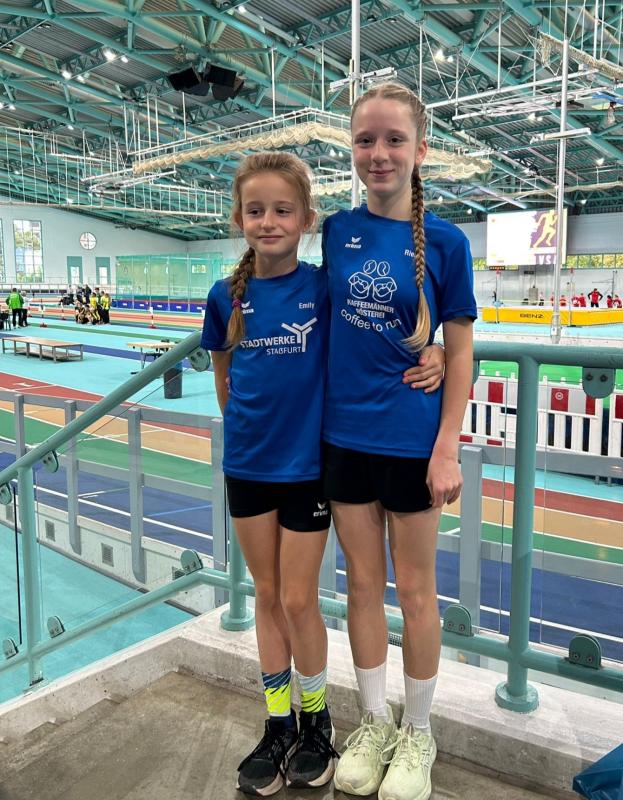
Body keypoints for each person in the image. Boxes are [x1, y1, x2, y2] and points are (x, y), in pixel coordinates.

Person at [201, 152, 445, 797]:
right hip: (248, 466)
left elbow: (379, 324)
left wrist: (440, 351)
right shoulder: (226, 296)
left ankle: (317, 722)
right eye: (255, 211)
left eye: (283, 210)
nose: (268, 221)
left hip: (310, 468)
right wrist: (253, 436)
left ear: (308, 219)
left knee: (298, 599)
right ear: (239, 219)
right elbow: (226, 381)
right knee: (266, 595)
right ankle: (278, 723)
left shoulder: (323, 286)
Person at [323, 82, 476, 800]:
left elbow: (461, 351)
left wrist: (445, 446)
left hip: (411, 443)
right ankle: (374, 722)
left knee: (415, 590)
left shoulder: (446, 242)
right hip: (343, 438)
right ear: (352, 149)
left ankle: (418, 732)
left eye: (393, 139)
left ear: (420, 151)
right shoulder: (334, 230)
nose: (378, 153)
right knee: (359, 585)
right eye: (365, 140)